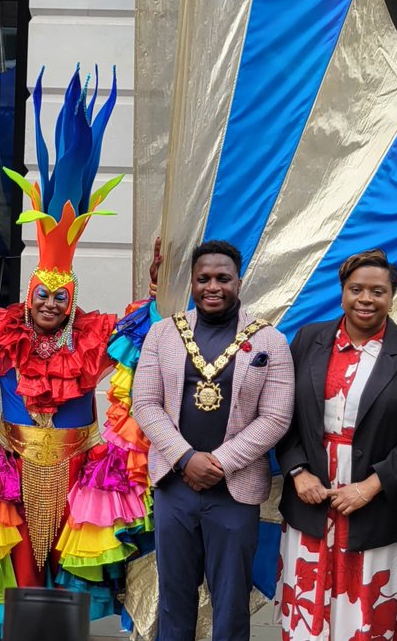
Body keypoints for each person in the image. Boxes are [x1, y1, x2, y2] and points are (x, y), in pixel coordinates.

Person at [0, 66, 160, 637]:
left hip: (81, 469)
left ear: (72, 300)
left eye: (60, 296)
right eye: (42, 295)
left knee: (71, 571)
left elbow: (142, 330)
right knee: (22, 566)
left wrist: (157, 288)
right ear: (29, 295)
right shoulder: (2, 335)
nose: (50, 304)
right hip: (13, 465)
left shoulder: (94, 337)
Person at [275, 249, 397, 640]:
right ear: (342, 293)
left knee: (367, 615)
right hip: (311, 503)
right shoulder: (309, 340)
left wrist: (370, 486)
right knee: (308, 614)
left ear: (392, 297)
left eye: (377, 291)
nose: (366, 299)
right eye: (356, 289)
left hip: (378, 508)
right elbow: (282, 411)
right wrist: (298, 472)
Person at [132, 239, 294, 641]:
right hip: (175, 486)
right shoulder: (162, 334)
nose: (213, 287)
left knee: (231, 600)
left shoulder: (270, 341)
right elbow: (145, 404)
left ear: (239, 282)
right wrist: (186, 458)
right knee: (174, 597)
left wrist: (218, 462)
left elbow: (276, 418)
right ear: (192, 282)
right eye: (203, 279)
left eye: (223, 278)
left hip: (234, 491)